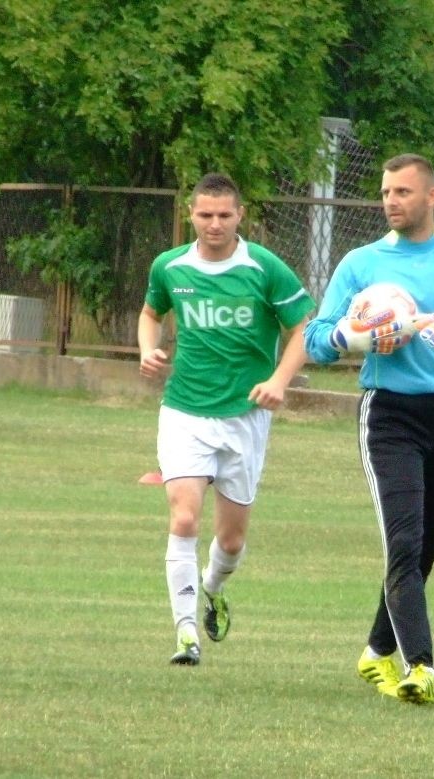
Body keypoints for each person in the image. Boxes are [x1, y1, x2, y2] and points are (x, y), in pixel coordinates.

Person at [304, 153, 434, 704]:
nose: (391, 201)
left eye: (402, 192)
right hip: (390, 415)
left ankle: (375, 652)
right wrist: (356, 337)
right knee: (403, 541)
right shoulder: (362, 263)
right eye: (386, 192)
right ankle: (420, 665)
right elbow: (315, 339)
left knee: (424, 546)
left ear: (431, 197)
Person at [138, 172, 315, 665]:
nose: (213, 224)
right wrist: (148, 350)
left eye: (223, 215)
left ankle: (213, 586)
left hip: (245, 417)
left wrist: (279, 380)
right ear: (190, 215)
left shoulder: (263, 267)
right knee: (185, 515)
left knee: (232, 539)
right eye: (204, 214)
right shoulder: (169, 266)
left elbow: (302, 327)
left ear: (240, 216)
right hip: (184, 411)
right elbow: (151, 313)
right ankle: (186, 633)